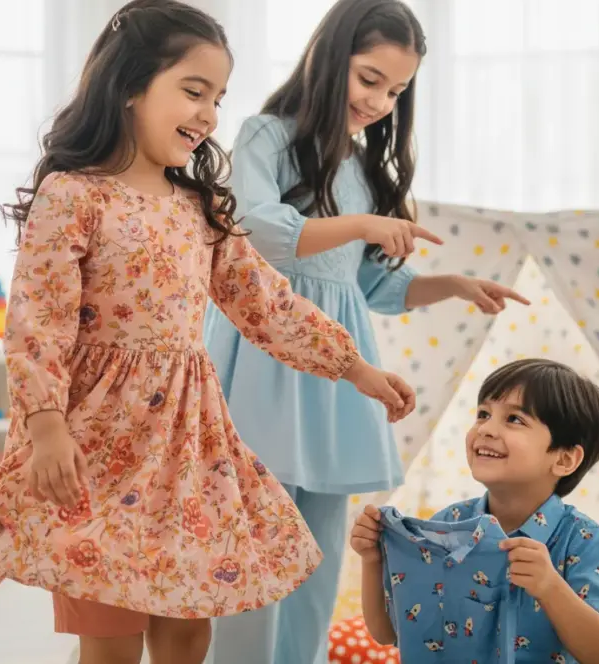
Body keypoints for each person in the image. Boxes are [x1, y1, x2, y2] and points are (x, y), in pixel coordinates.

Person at [0, 2, 418, 664]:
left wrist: (356, 368)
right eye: (193, 91)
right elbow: (37, 321)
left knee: (188, 633)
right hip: (94, 449)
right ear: (129, 86)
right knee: (111, 640)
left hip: (188, 455)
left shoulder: (200, 209)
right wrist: (44, 425)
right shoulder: (74, 195)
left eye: (217, 97)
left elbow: (266, 303)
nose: (210, 115)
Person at [204, 1, 527, 662]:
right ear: (331, 60)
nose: (381, 100)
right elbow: (263, 231)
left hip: (334, 380)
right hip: (263, 362)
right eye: (370, 78)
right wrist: (365, 226)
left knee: (317, 559)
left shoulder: (361, 167)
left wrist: (455, 285)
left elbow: (372, 287)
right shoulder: (266, 135)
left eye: (397, 90)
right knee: (248, 547)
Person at [351, 358, 599, 663]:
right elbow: (388, 632)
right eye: (483, 414)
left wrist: (550, 587)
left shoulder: (582, 539)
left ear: (563, 460)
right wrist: (372, 560)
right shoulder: (448, 526)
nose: (486, 429)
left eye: (515, 420)